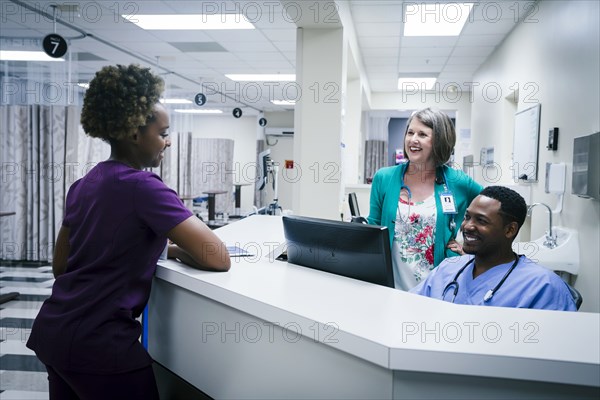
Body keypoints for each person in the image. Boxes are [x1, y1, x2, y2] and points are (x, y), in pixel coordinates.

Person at [26, 64, 231, 399]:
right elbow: (218, 258)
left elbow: (61, 266)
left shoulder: (82, 185)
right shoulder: (144, 186)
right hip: (102, 347)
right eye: (163, 133)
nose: (168, 142)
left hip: (54, 334)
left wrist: (168, 249)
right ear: (135, 133)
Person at [367, 108, 482, 290]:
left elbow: (494, 209)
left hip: (438, 287)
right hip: (390, 286)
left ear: (439, 140)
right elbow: (371, 229)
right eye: (410, 132)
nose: (413, 139)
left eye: (422, 134)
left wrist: (469, 246)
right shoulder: (384, 177)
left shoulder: (457, 181)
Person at [410, 186, 577, 311]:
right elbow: (409, 308)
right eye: (467, 217)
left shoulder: (543, 286)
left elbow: (556, 349)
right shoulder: (448, 268)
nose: (467, 226)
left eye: (481, 221)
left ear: (510, 230)